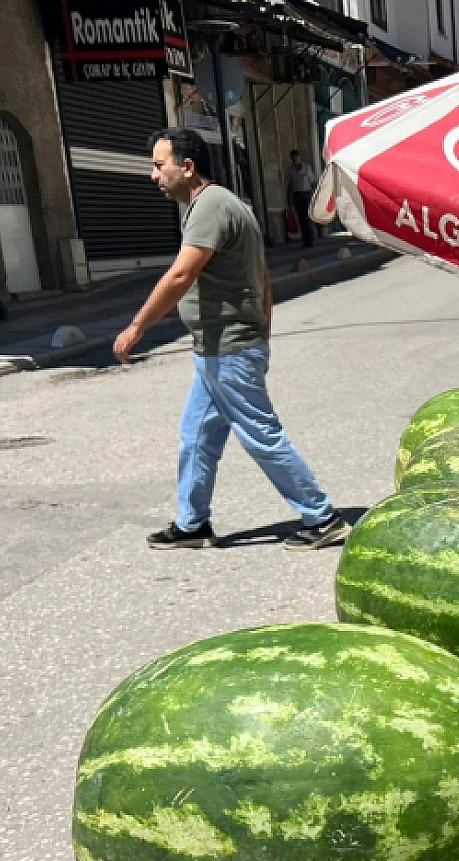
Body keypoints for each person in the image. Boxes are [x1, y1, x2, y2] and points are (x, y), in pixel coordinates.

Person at [114, 127, 349, 551]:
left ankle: (322, 517)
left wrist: (137, 327)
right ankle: (192, 524)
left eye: (159, 166)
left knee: (261, 434)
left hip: (229, 349)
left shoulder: (210, 207)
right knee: (196, 436)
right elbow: (262, 277)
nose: (154, 175)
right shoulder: (222, 204)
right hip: (219, 347)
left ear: (187, 167)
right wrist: (262, 332)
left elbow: (181, 275)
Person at [288, 149, 318, 249]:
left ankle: (310, 238)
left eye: (296, 158)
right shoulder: (291, 170)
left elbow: (313, 182)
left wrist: (315, 195)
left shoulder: (307, 168)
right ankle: (305, 239)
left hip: (306, 193)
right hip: (297, 195)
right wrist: (289, 198)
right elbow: (290, 185)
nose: (294, 160)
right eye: (293, 158)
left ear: (299, 157)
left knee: (307, 217)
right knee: (301, 218)